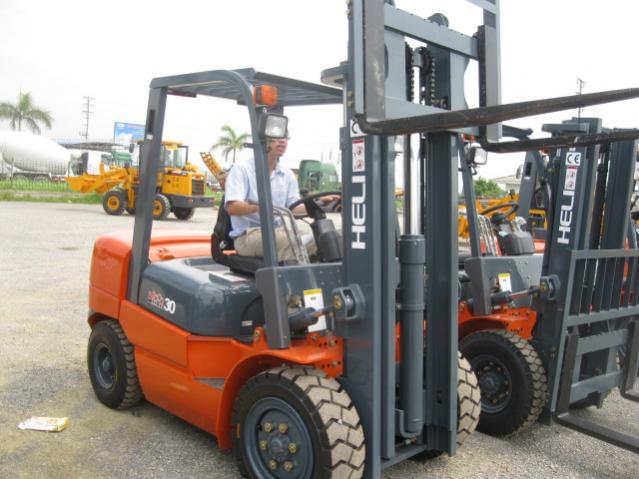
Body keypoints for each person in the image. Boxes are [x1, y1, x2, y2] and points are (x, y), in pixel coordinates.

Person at [224, 135, 336, 261]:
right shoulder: (242, 169)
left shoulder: (287, 174)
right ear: (263, 140)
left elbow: (292, 209)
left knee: (325, 240)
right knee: (298, 244)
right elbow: (232, 208)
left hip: (280, 232)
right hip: (248, 236)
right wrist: (258, 208)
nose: (282, 141)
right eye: (276, 137)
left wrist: (319, 203)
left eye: (285, 137)